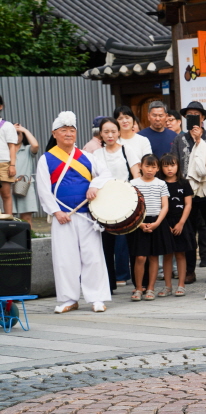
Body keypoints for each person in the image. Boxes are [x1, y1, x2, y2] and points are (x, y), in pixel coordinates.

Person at [36, 111, 111, 313]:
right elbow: (43, 189)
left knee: (93, 257)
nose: (68, 134)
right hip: (63, 217)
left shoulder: (87, 156)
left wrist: (94, 185)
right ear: (54, 134)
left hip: (87, 216)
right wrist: (55, 211)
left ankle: (96, 298)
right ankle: (68, 299)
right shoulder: (46, 159)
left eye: (72, 130)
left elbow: (105, 174)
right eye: (64, 130)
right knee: (65, 259)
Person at [171, 100, 206, 285]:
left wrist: (199, 140)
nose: (193, 117)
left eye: (196, 115)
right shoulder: (179, 139)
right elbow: (174, 162)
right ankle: (189, 270)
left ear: (203, 118)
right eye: (189, 115)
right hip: (186, 191)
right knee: (188, 230)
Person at [91, 117, 141, 290]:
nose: (110, 135)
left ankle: (138, 284)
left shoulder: (127, 150)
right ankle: (109, 284)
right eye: (106, 132)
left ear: (119, 132)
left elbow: (136, 175)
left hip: (126, 200)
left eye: (113, 131)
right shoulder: (96, 155)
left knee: (131, 242)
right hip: (104, 203)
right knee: (106, 244)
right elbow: (93, 178)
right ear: (100, 134)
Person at [129, 154, 172, 301]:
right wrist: (140, 224)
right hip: (139, 221)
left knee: (154, 256)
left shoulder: (161, 184)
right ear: (141, 166)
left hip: (156, 221)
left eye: (153, 167)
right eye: (147, 166)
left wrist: (157, 223)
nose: (150, 170)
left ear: (157, 168)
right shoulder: (133, 183)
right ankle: (139, 288)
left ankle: (151, 288)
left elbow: (165, 206)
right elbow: (130, 205)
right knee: (140, 257)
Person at [159, 153, 193, 297]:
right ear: (161, 168)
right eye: (166, 166)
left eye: (172, 165)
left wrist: (181, 223)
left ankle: (181, 285)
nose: (169, 169)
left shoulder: (184, 183)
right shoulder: (159, 183)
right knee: (167, 254)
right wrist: (164, 224)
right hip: (164, 222)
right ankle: (167, 286)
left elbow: (188, 204)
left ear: (178, 166)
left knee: (180, 254)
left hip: (181, 222)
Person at [11, 124, 38, 225]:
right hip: (7, 185)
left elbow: (35, 145)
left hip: (25, 185)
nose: (16, 136)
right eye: (12, 133)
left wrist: (24, 130)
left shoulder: (27, 149)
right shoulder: (3, 150)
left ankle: (28, 235)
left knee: (26, 217)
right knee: (8, 216)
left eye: (18, 134)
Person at [0, 96, 17, 216]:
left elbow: (12, 147)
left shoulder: (7, 125)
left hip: (4, 164)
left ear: (1, 107)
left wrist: (12, 165)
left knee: (5, 194)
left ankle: (8, 221)